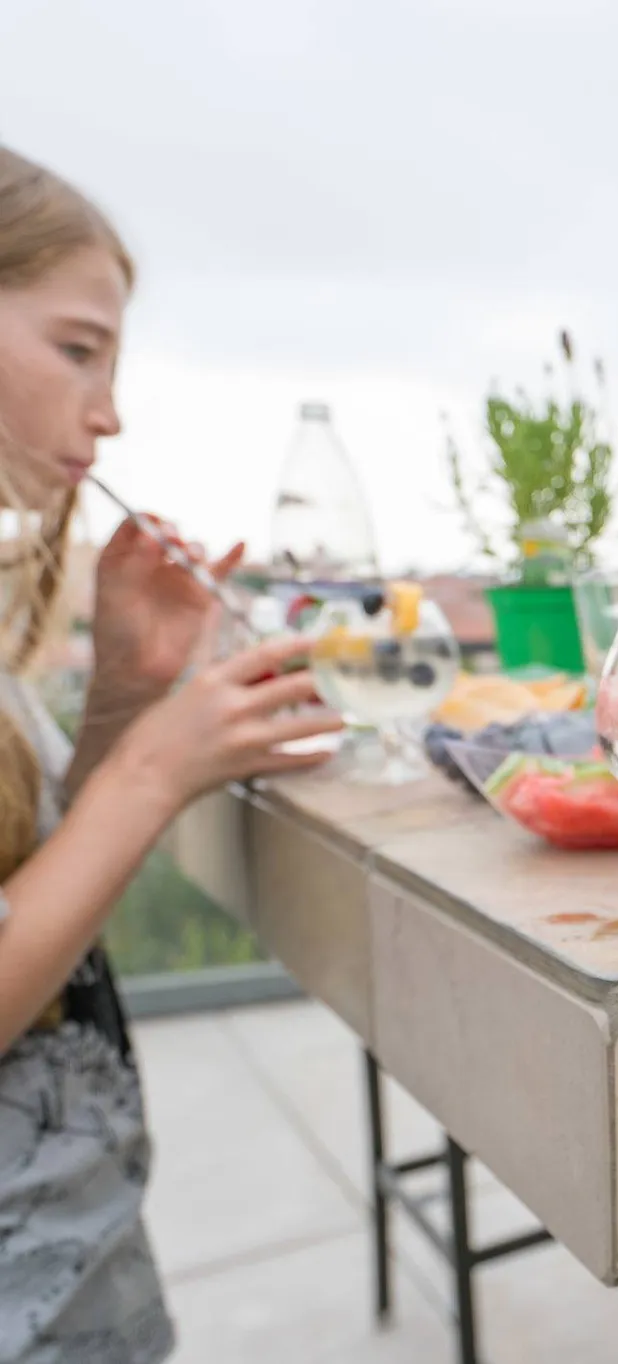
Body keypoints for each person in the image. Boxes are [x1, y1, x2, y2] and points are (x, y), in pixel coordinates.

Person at [0, 145, 341, 1362]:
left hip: (73, 1251)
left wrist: (125, 692)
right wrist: (154, 768)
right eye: (77, 348)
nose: (110, 412)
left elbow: (31, 889)